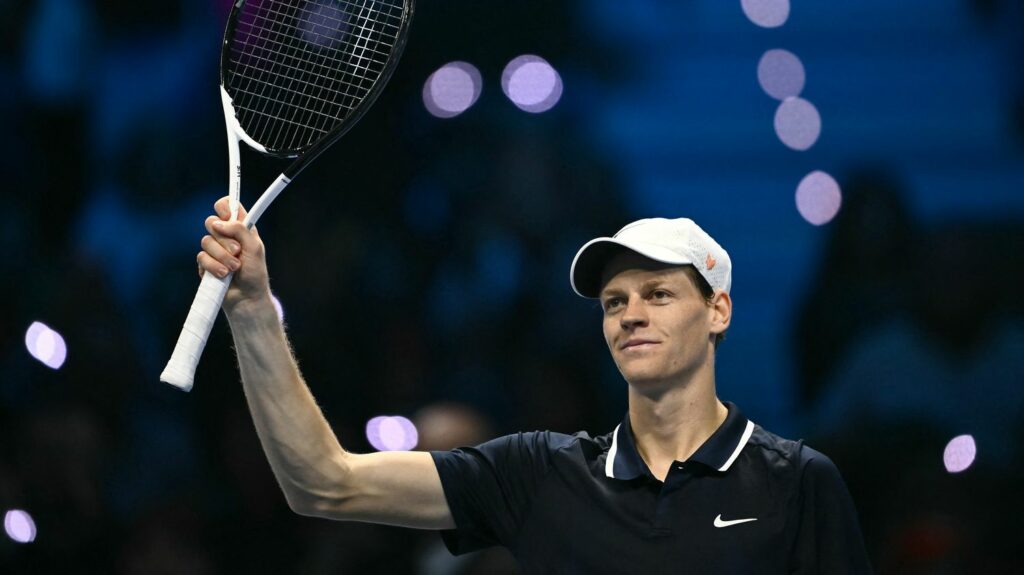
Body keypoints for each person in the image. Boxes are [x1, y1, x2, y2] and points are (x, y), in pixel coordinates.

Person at [196, 199, 872, 574]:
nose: (630, 313)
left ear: (717, 310)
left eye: (659, 293)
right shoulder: (538, 472)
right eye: (614, 301)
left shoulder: (797, 484)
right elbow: (324, 482)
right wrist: (254, 309)